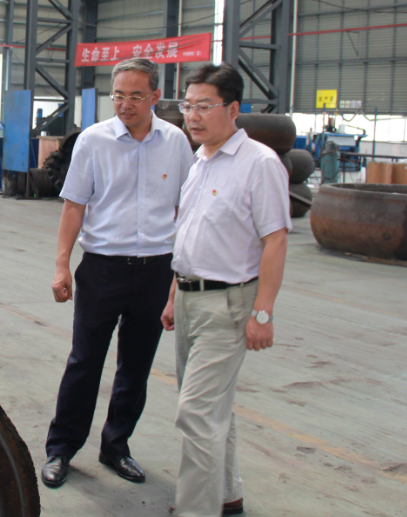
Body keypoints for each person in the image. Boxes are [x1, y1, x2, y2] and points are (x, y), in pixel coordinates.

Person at [41, 57, 194, 489]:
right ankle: (61, 448)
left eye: (136, 96)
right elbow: (74, 206)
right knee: (85, 360)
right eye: (119, 96)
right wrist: (62, 265)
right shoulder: (93, 141)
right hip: (103, 268)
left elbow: (186, 209)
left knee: (136, 365)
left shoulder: (176, 142)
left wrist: (179, 274)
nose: (126, 105)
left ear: (155, 96)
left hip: (156, 269)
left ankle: (116, 445)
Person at [161, 62, 291, 517]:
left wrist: (263, 312)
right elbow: (190, 234)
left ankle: (196, 510)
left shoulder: (259, 164)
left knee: (197, 412)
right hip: (190, 300)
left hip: (229, 305)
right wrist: (175, 295)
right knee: (213, 406)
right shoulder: (200, 161)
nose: (192, 116)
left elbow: (276, 240)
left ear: (233, 109)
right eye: (187, 106)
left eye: (204, 106)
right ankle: (226, 494)